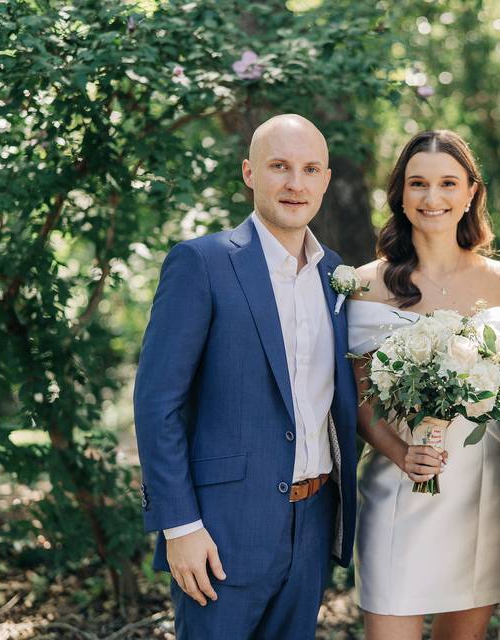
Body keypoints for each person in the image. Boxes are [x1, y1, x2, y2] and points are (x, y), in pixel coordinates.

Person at [133, 114, 357, 639]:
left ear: (326, 179)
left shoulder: (336, 274)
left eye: (309, 169)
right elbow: (156, 403)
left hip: (312, 526)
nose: (295, 183)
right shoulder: (202, 263)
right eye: (279, 166)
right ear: (249, 173)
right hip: (219, 534)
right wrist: (180, 526)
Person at [346, 130, 500, 639]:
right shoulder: (366, 283)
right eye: (418, 183)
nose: (432, 198)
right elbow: (359, 398)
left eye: (448, 183)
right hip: (398, 483)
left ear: (471, 192)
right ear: (400, 194)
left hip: (482, 491)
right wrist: (403, 452)